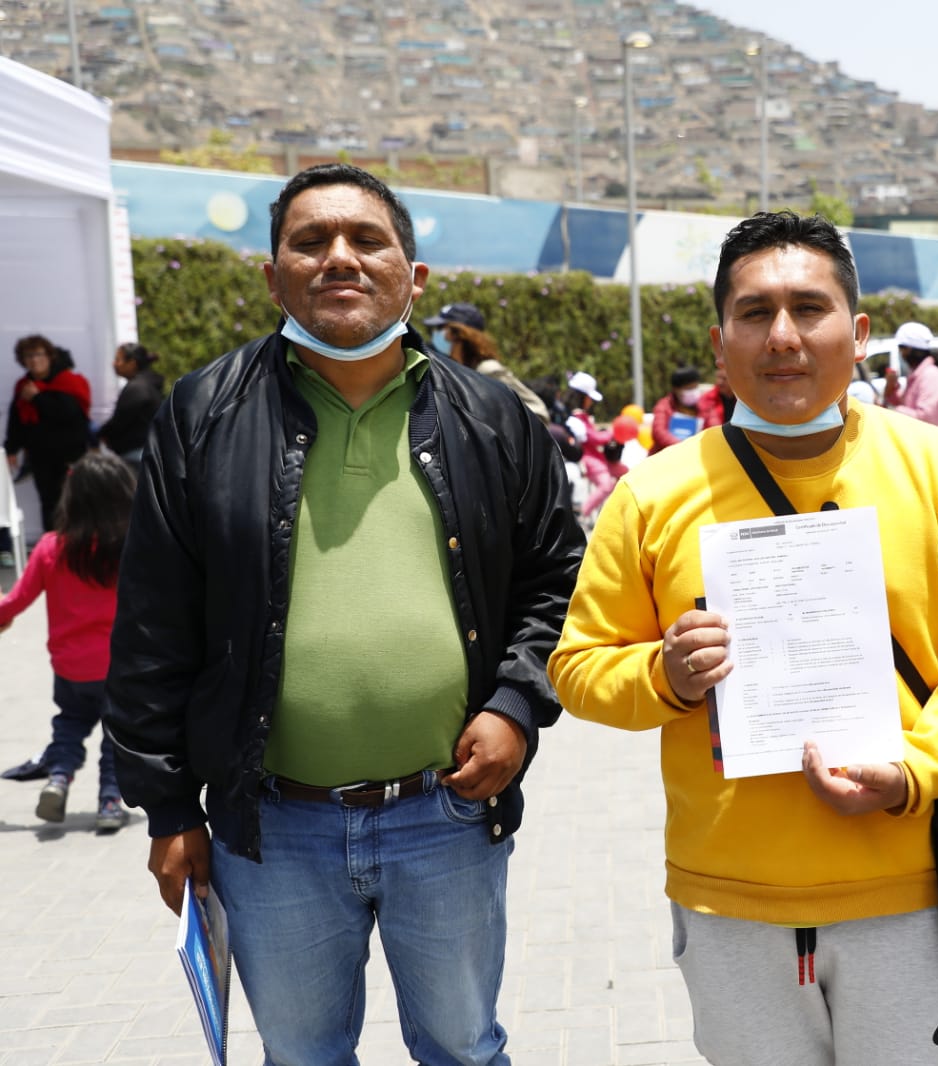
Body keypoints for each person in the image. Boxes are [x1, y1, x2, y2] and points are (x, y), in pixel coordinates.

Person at [104, 163, 585, 1065]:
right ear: (272, 273)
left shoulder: (493, 418)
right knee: (302, 1056)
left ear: (416, 275)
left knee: (463, 1049)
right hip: (271, 827)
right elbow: (153, 623)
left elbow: (558, 581)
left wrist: (517, 705)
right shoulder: (204, 413)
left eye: (367, 240)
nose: (340, 259)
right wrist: (167, 806)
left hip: (446, 814)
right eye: (310, 241)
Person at [548, 211, 938, 1065]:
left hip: (904, 885)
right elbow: (580, 667)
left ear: (857, 334)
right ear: (719, 341)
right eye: (754, 313)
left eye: (808, 309)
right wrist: (666, 676)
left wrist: (915, 775)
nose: (782, 336)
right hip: (728, 899)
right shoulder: (654, 493)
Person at [0, 452, 136, 831]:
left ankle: (58, 778)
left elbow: (15, 602)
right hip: (120, 666)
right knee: (115, 737)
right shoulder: (133, 549)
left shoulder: (50, 548)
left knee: (70, 724)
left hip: (70, 669)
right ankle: (110, 802)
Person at [5, 335, 91, 530]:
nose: (34, 360)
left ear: (49, 356)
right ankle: (52, 550)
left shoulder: (68, 381)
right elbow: (16, 420)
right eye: (28, 356)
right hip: (41, 457)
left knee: (72, 503)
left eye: (38, 354)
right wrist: (11, 448)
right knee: (49, 504)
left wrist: (38, 398)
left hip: (69, 456)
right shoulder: (23, 386)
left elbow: (70, 416)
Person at [428, 302, 553, 423]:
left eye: (440, 328)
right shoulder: (457, 370)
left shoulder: (487, 371)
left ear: (459, 334)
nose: (435, 333)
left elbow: (538, 413)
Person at [565, 370, 621, 519]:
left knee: (625, 473)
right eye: (589, 398)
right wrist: (612, 433)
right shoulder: (575, 419)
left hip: (599, 457)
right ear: (581, 397)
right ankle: (583, 512)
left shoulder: (583, 416)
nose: (591, 402)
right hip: (588, 459)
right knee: (605, 484)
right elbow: (592, 438)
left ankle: (618, 508)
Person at [96, 343, 165, 463]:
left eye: (118, 360)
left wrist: (101, 434)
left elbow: (120, 421)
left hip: (136, 454)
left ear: (132, 364)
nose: (114, 364)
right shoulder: (146, 384)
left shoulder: (137, 388)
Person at [879, 321, 938, 429]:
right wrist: (891, 387)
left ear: (912, 350)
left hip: (932, 443)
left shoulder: (930, 375)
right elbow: (906, 404)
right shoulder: (917, 374)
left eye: (903, 349)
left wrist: (892, 410)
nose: (901, 354)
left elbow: (924, 416)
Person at [649, 365, 709, 453]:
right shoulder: (664, 406)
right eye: (689, 388)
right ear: (676, 389)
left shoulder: (704, 406)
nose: (693, 392)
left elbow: (713, 425)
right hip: (667, 456)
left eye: (695, 387)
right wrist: (683, 447)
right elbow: (659, 432)